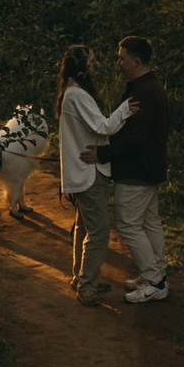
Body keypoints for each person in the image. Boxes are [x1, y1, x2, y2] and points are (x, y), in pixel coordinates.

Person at [53, 44, 132, 308]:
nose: (95, 67)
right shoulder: (77, 95)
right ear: (82, 67)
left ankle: (82, 277)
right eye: (91, 63)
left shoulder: (72, 93)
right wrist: (126, 109)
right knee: (99, 232)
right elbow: (104, 126)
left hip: (84, 171)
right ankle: (87, 285)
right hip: (89, 173)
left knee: (84, 226)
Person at [100, 35, 170, 303]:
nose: (118, 63)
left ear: (137, 61)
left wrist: (103, 153)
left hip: (137, 170)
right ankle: (156, 274)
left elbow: (134, 137)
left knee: (128, 225)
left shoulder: (142, 91)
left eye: (122, 58)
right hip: (149, 168)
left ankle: (154, 280)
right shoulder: (150, 85)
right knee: (149, 223)